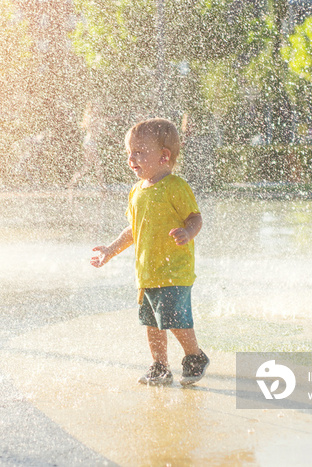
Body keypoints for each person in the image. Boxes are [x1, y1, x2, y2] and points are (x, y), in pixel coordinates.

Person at [90, 118, 209, 386]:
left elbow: (195, 218)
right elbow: (133, 229)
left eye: (139, 152)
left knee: (175, 320)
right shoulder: (136, 191)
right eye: (129, 153)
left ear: (164, 156)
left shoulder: (175, 187)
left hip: (175, 271)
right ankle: (160, 366)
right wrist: (110, 250)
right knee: (152, 324)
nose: (132, 158)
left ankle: (194, 356)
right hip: (147, 273)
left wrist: (188, 233)